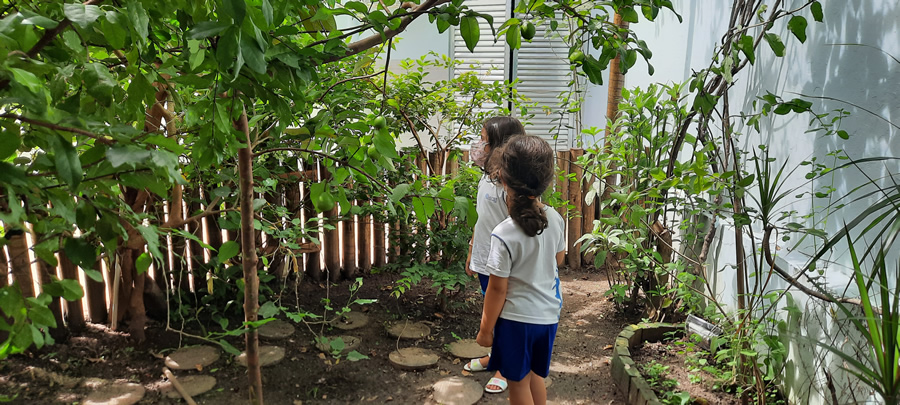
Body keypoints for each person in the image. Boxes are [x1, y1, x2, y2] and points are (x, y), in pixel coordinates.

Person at [476, 135, 565, 405]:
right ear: (546, 180)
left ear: (502, 179)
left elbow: (497, 288)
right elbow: (558, 259)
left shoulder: (503, 233)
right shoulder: (556, 219)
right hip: (548, 317)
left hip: (517, 322)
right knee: (535, 376)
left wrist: (485, 329)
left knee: (517, 384)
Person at [463, 116, 525, 394]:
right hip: (485, 257)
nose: (479, 146)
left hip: (506, 263)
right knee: (493, 311)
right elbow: (483, 219)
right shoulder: (487, 178)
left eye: (485, 141)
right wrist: (473, 250)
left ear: (501, 146)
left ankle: (505, 367)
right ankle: (496, 358)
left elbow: (522, 228)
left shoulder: (511, 186)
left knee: (505, 314)